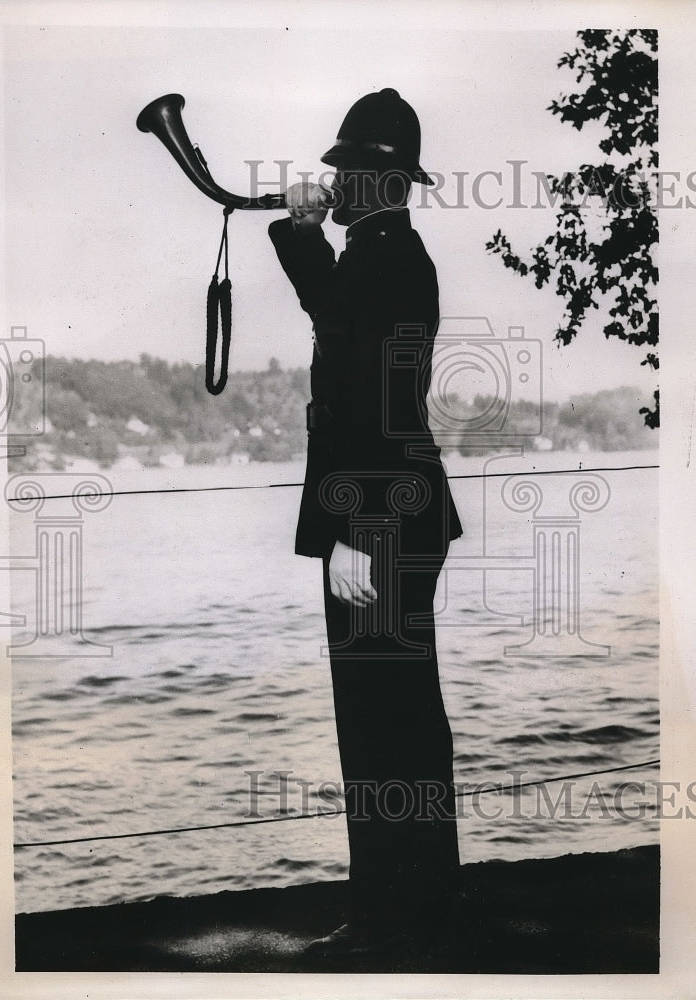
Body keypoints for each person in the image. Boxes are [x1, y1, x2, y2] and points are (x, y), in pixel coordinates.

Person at [268, 88, 464, 956]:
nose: (332, 181)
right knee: (401, 716)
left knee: (382, 720)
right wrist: (302, 235)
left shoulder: (381, 260)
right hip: (392, 512)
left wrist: (350, 527)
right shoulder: (385, 255)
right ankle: (415, 909)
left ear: (379, 181)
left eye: (345, 170)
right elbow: (341, 334)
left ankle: (394, 919)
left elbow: (372, 399)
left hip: (376, 518)